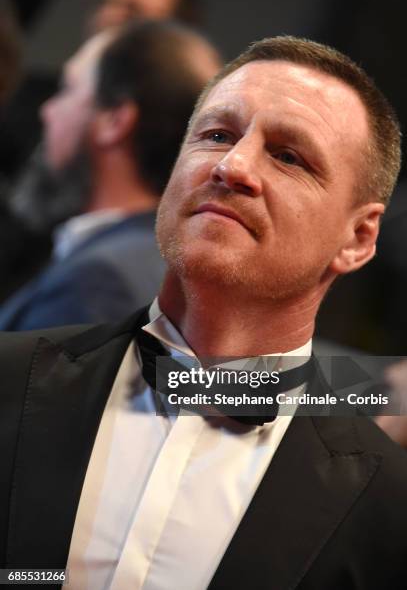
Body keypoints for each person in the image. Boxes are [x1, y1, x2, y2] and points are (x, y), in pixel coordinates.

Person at [0, 36, 406, 590]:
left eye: (289, 156)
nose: (234, 165)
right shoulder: (8, 380)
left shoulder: (387, 507)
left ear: (357, 238)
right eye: (217, 135)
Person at [0, 19, 220, 329]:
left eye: (68, 90)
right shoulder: (148, 259)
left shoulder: (98, 284)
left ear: (115, 121)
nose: (47, 110)